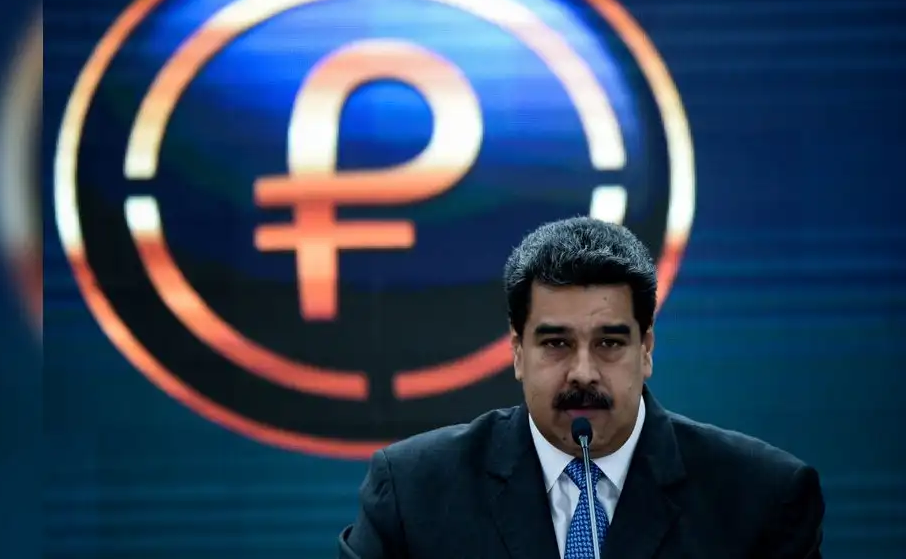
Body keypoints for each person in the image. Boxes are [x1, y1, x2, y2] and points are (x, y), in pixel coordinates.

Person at [338, 217, 824, 558]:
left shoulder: (761, 497)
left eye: (610, 343)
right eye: (557, 343)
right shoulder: (413, 493)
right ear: (518, 351)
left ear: (646, 348)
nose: (583, 373)